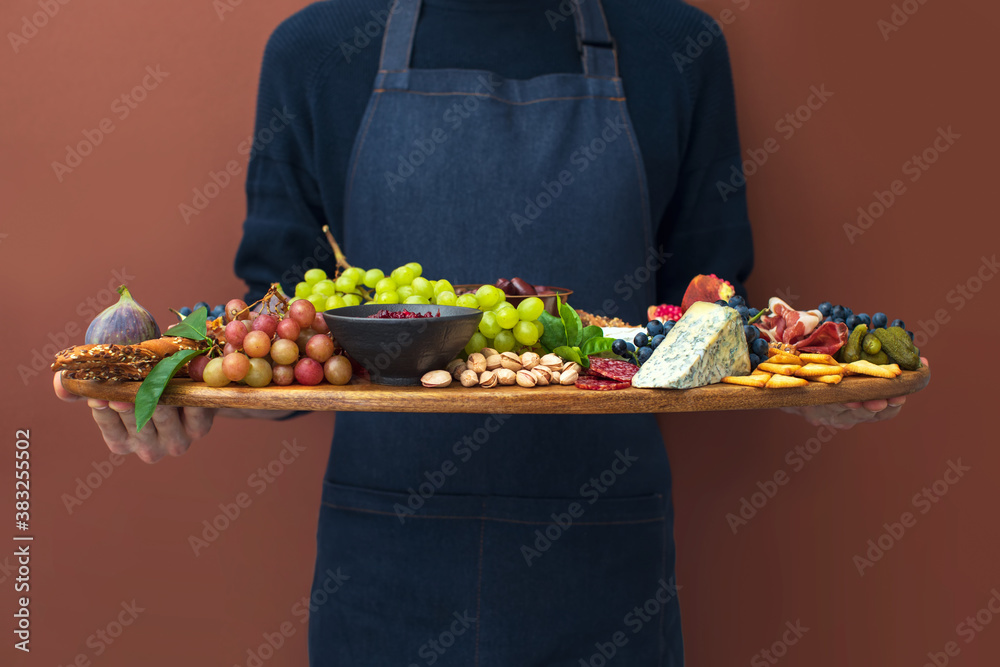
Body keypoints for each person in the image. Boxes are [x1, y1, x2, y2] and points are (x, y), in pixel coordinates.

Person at [54, 0, 913, 663]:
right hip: (386, 575)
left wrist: (804, 386)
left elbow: (712, 322)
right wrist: (190, 393)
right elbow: (283, 338)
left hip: (604, 569)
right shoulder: (315, 52)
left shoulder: (678, 47)